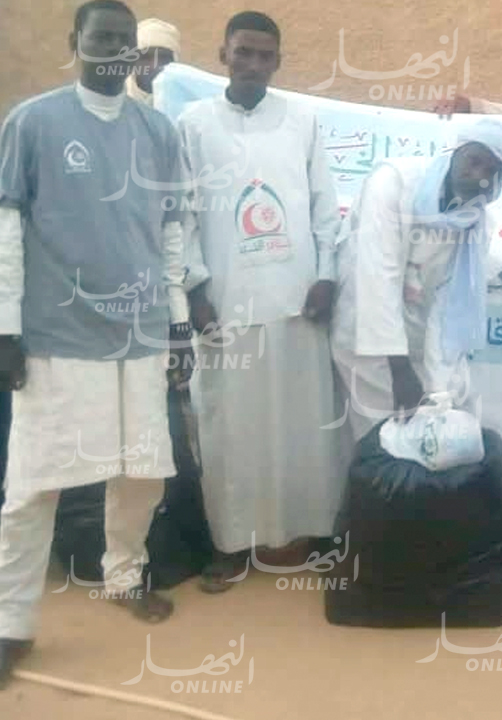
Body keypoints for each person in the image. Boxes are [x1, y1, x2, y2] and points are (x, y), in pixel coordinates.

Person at [0, 0, 193, 685]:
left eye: (123, 41)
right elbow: (8, 229)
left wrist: (178, 323)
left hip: (140, 335)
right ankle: (11, 624)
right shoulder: (33, 122)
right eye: (101, 38)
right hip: (58, 335)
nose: (114, 51)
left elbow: (171, 232)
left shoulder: (158, 131)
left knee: (143, 471)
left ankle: (124, 576)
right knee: (34, 486)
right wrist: (6, 328)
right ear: (76, 42)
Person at [177, 11, 344, 593]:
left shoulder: (302, 120)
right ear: (223, 53)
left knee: (308, 425)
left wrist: (326, 276)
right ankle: (231, 545)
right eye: (243, 52)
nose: (252, 64)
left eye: (264, 55)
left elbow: (325, 205)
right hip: (225, 304)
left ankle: (318, 532)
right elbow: (181, 213)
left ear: (278, 61)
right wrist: (195, 288)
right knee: (229, 429)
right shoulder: (192, 124)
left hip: (298, 301)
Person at [329, 119, 502, 457]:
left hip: (417, 338)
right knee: (382, 442)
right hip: (368, 333)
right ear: (456, 152)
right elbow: (378, 275)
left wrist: (438, 389)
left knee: (447, 418)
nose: (478, 176)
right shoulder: (394, 183)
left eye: (491, 171)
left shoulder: (476, 224)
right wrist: (400, 370)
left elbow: (448, 307)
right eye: (474, 161)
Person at [125, 17, 180, 106]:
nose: (154, 65)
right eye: (146, 57)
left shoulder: (189, 106)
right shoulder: (112, 104)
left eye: (164, 58)